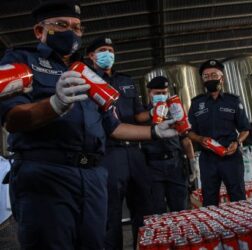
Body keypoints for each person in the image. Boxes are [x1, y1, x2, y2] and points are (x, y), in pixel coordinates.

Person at [0, 1, 176, 249]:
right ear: (39, 31)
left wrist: (155, 131)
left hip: (93, 176)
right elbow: (12, 119)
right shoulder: (21, 60)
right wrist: (55, 104)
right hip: (47, 174)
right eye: (61, 25)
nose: (71, 32)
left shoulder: (85, 72)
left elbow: (113, 128)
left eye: (77, 27)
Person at [86, 37, 152, 250]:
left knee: (144, 210)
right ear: (91, 56)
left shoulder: (127, 80)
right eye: (102, 50)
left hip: (134, 152)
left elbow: (139, 115)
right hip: (108, 154)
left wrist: (157, 112)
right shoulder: (87, 81)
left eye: (111, 50)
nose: (108, 54)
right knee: (110, 213)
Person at [188, 59, 251, 207]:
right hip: (208, 159)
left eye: (214, 75)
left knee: (238, 197)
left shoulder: (233, 101)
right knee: (209, 200)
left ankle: (241, 228)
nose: (210, 79)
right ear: (202, 80)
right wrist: (199, 138)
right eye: (206, 76)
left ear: (221, 78)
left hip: (231, 156)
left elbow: (245, 129)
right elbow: (189, 132)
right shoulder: (196, 104)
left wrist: (237, 142)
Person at [141, 76, 199, 214]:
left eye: (164, 93)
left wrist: (192, 161)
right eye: (157, 93)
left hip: (175, 165)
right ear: (149, 93)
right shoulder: (143, 115)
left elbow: (185, 139)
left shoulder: (175, 111)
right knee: (157, 211)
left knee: (180, 210)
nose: (161, 96)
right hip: (152, 167)